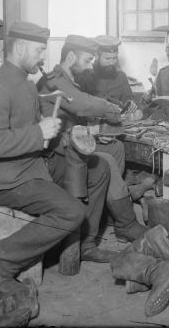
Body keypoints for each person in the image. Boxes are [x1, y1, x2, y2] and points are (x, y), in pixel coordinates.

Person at [0, 21, 97, 317]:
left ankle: (85, 246)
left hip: (29, 165)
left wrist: (54, 133)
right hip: (7, 179)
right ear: (20, 47)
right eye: (40, 50)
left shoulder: (23, 82)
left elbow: (28, 130)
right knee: (71, 212)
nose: (43, 57)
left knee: (99, 170)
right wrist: (38, 132)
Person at [37, 35, 147, 248]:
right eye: (87, 60)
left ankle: (108, 216)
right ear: (70, 57)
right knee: (105, 161)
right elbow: (81, 106)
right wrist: (114, 110)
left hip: (68, 143)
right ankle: (125, 222)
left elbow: (74, 123)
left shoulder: (68, 80)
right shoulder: (55, 82)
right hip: (54, 155)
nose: (90, 66)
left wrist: (95, 132)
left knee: (114, 147)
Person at [76, 35, 137, 111]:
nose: (111, 63)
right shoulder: (86, 75)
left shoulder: (121, 76)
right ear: (97, 56)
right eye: (107, 59)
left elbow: (128, 97)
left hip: (117, 117)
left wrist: (130, 103)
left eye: (114, 58)